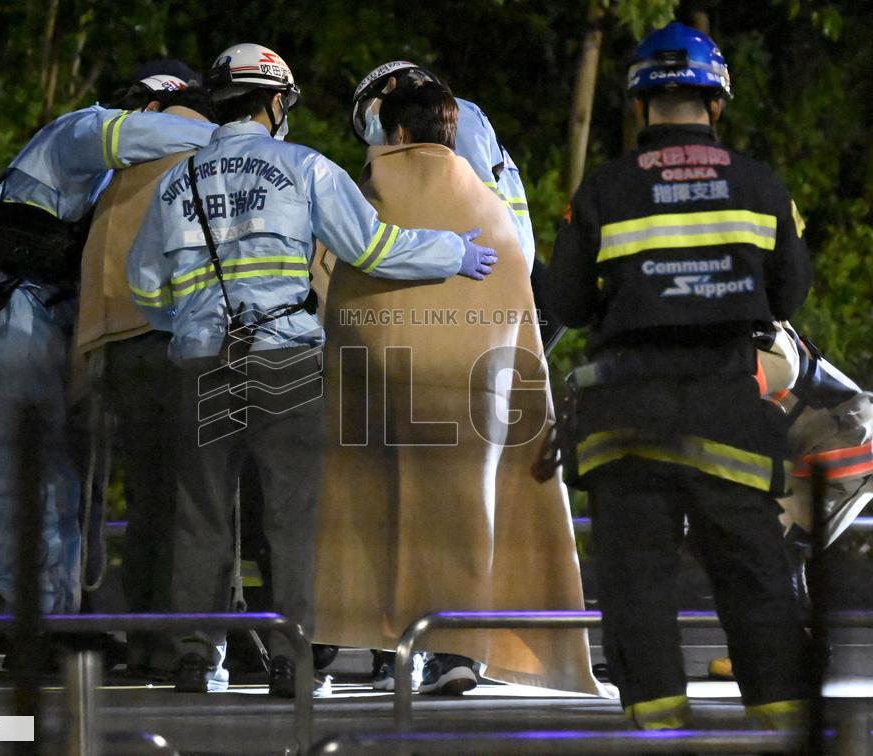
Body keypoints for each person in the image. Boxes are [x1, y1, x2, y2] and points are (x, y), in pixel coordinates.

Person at [127, 42, 496, 697]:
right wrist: (451, 252)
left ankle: (194, 656)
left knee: (202, 514)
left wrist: (188, 324)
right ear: (274, 101)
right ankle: (291, 660)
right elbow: (373, 246)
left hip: (200, 362)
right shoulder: (303, 168)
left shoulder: (175, 181)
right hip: (284, 361)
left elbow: (144, 284)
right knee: (292, 519)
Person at [538, 21, 813, 730]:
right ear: (715, 103)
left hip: (626, 417)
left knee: (637, 586)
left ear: (638, 106)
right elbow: (788, 295)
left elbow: (565, 301)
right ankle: (781, 719)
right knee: (754, 578)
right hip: (726, 407)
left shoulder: (603, 190)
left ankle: (658, 724)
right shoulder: (760, 186)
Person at [311, 76, 605, 698]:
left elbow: (335, 287)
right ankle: (456, 650)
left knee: (377, 510)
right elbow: (518, 304)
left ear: (394, 130)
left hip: (383, 392)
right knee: (466, 517)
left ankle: (383, 643)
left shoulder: (365, 197)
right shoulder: (492, 204)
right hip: (478, 395)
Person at [0, 72, 216, 651]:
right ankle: (33, 626)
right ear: (153, 106)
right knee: (26, 480)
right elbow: (135, 136)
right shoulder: (80, 130)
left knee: (61, 483)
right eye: (183, 113)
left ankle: (59, 619)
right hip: (13, 317)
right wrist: (239, 140)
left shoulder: (100, 179)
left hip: (41, 319)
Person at [74, 79, 215, 676]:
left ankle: (145, 641)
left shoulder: (123, 171)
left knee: (147, 501)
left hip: (120, 346)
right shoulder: (210, 159)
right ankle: (194, 644)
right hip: (187, 342)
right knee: (200, 501)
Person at [347, 61, 563, 347]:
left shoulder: (452, 114)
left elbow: (473, 201)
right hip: (503, 260)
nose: (377, 133)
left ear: (393, 87)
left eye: (371, 114)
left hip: (493, 261)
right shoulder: (450, 119)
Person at [708, 321, 873, 679]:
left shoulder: (749, 338)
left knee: (771, 543)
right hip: (842, 439)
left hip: (842, 442)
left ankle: (785, 655)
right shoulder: (750, 326)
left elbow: (761, 418)